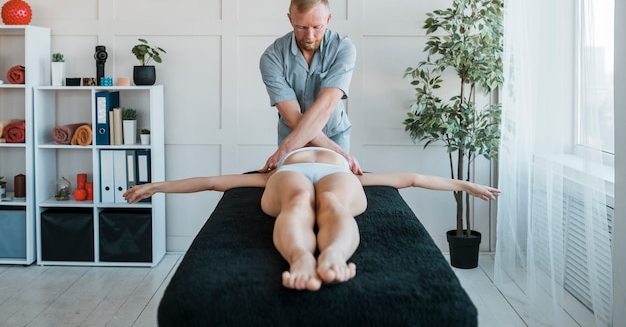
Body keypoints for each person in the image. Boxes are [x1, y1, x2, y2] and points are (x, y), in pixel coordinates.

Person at [123, 147, 501, 292]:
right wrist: (158, 186)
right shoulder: (274, 166)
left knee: (327, 202)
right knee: (304, 201)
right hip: (294, 175)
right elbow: (210, 182)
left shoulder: (349, 167)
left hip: (333, 176)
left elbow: (414, 179)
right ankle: (304, 257)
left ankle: (331, 255)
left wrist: (465, 184)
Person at [259, 0, 361, 174]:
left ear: (328, 20)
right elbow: (292, 117)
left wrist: (338, 151)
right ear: (290, 19)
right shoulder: (272, 57)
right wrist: (341, 155)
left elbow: (327, 105)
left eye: (317, 27)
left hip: (334, 135)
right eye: (302, 27)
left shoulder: (343, 49)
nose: (310, 36)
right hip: (292, 135)